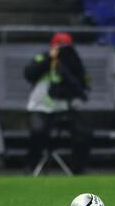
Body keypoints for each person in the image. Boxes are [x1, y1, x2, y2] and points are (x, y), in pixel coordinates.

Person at [24, 32, 91, 175]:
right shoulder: (42, 57)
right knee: (37, 131)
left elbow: (82, 85)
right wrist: (50, 59)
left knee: (83, 132)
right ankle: (31, 166)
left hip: (63, 108)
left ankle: (78, 170)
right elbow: (29, 73)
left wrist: (69, 66)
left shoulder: (73, 62)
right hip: (40, 107)